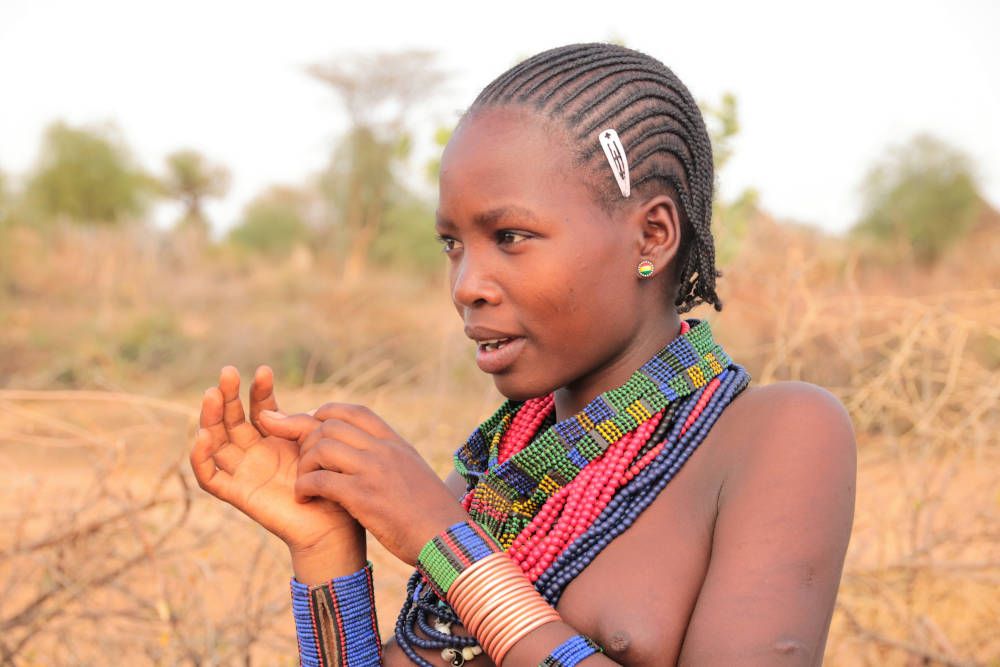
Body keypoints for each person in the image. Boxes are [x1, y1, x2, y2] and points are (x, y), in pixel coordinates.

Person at [190, 43, 856, 666]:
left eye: (509, 236)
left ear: (652, 236)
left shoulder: (779, 434)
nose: (466, 286)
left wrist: (445, 540)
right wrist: (325, 548)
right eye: (452, 243)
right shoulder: (497, 479)